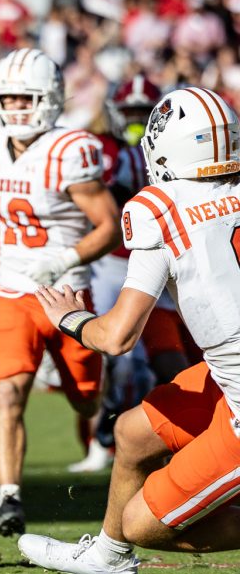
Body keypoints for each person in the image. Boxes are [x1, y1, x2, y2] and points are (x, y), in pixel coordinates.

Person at [21, 86, 240, 574]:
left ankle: (122, 543)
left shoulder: (158, 207)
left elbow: (118, 336)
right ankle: (108, 555)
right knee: (134, 433)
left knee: (144, 524)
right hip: (227, 368)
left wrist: (71, 320)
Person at [0, 48, 121, 536]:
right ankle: (9, 498)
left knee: (86, 401)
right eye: (9, 98)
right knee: (8, 393)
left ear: (50, 99)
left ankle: (100, 406)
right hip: (13, 291)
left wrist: (65, 259)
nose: (17, 108)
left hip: (66, 294)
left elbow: (109, 226)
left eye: (27, 98)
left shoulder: (71, 150)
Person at [76, 76, 189, 473]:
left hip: (165, 259)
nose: (138, 119)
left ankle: (176, 441)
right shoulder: (103, 150)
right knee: (115, 360)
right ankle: (102, 440)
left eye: (145, 111)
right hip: (114, 264)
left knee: (172, 361)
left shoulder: (176, 145)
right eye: (131, 112)